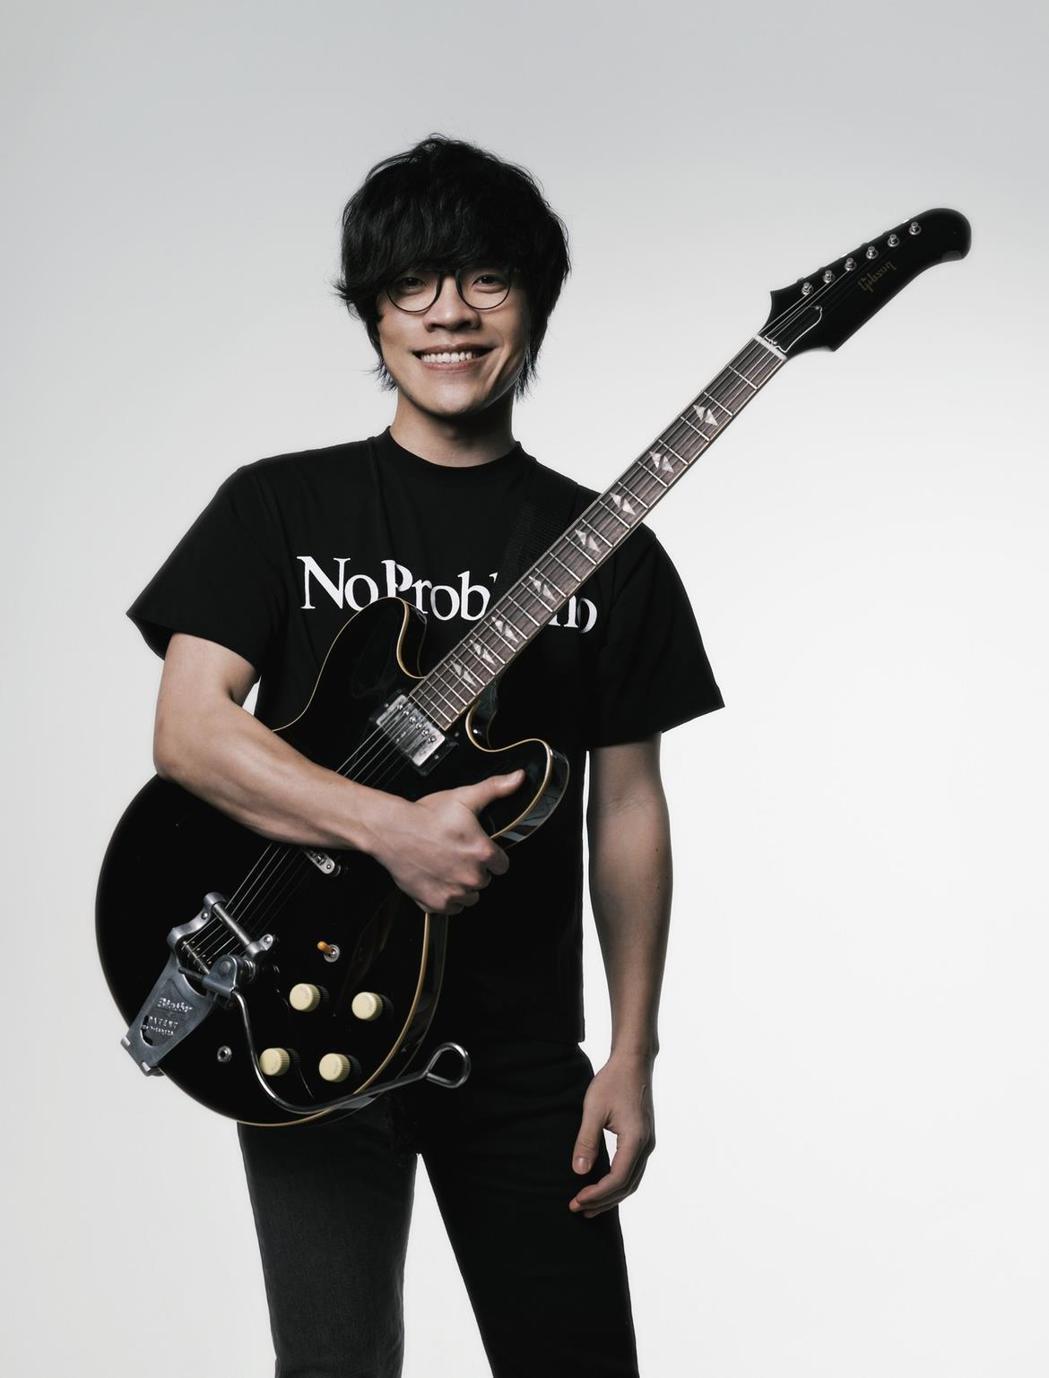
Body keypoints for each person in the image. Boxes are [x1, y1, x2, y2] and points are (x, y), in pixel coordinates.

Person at [127, 134, 724, 1377]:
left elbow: (625, 809)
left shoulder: (609, 550)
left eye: (485, 279)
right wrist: (387, 829)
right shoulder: (280, 507)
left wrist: (631, 1049)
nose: (448, 314)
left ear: (534, 303)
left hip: (517, 1052)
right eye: (411, 285)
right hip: (302, 1015)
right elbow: (189, 728)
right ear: (373, 312)